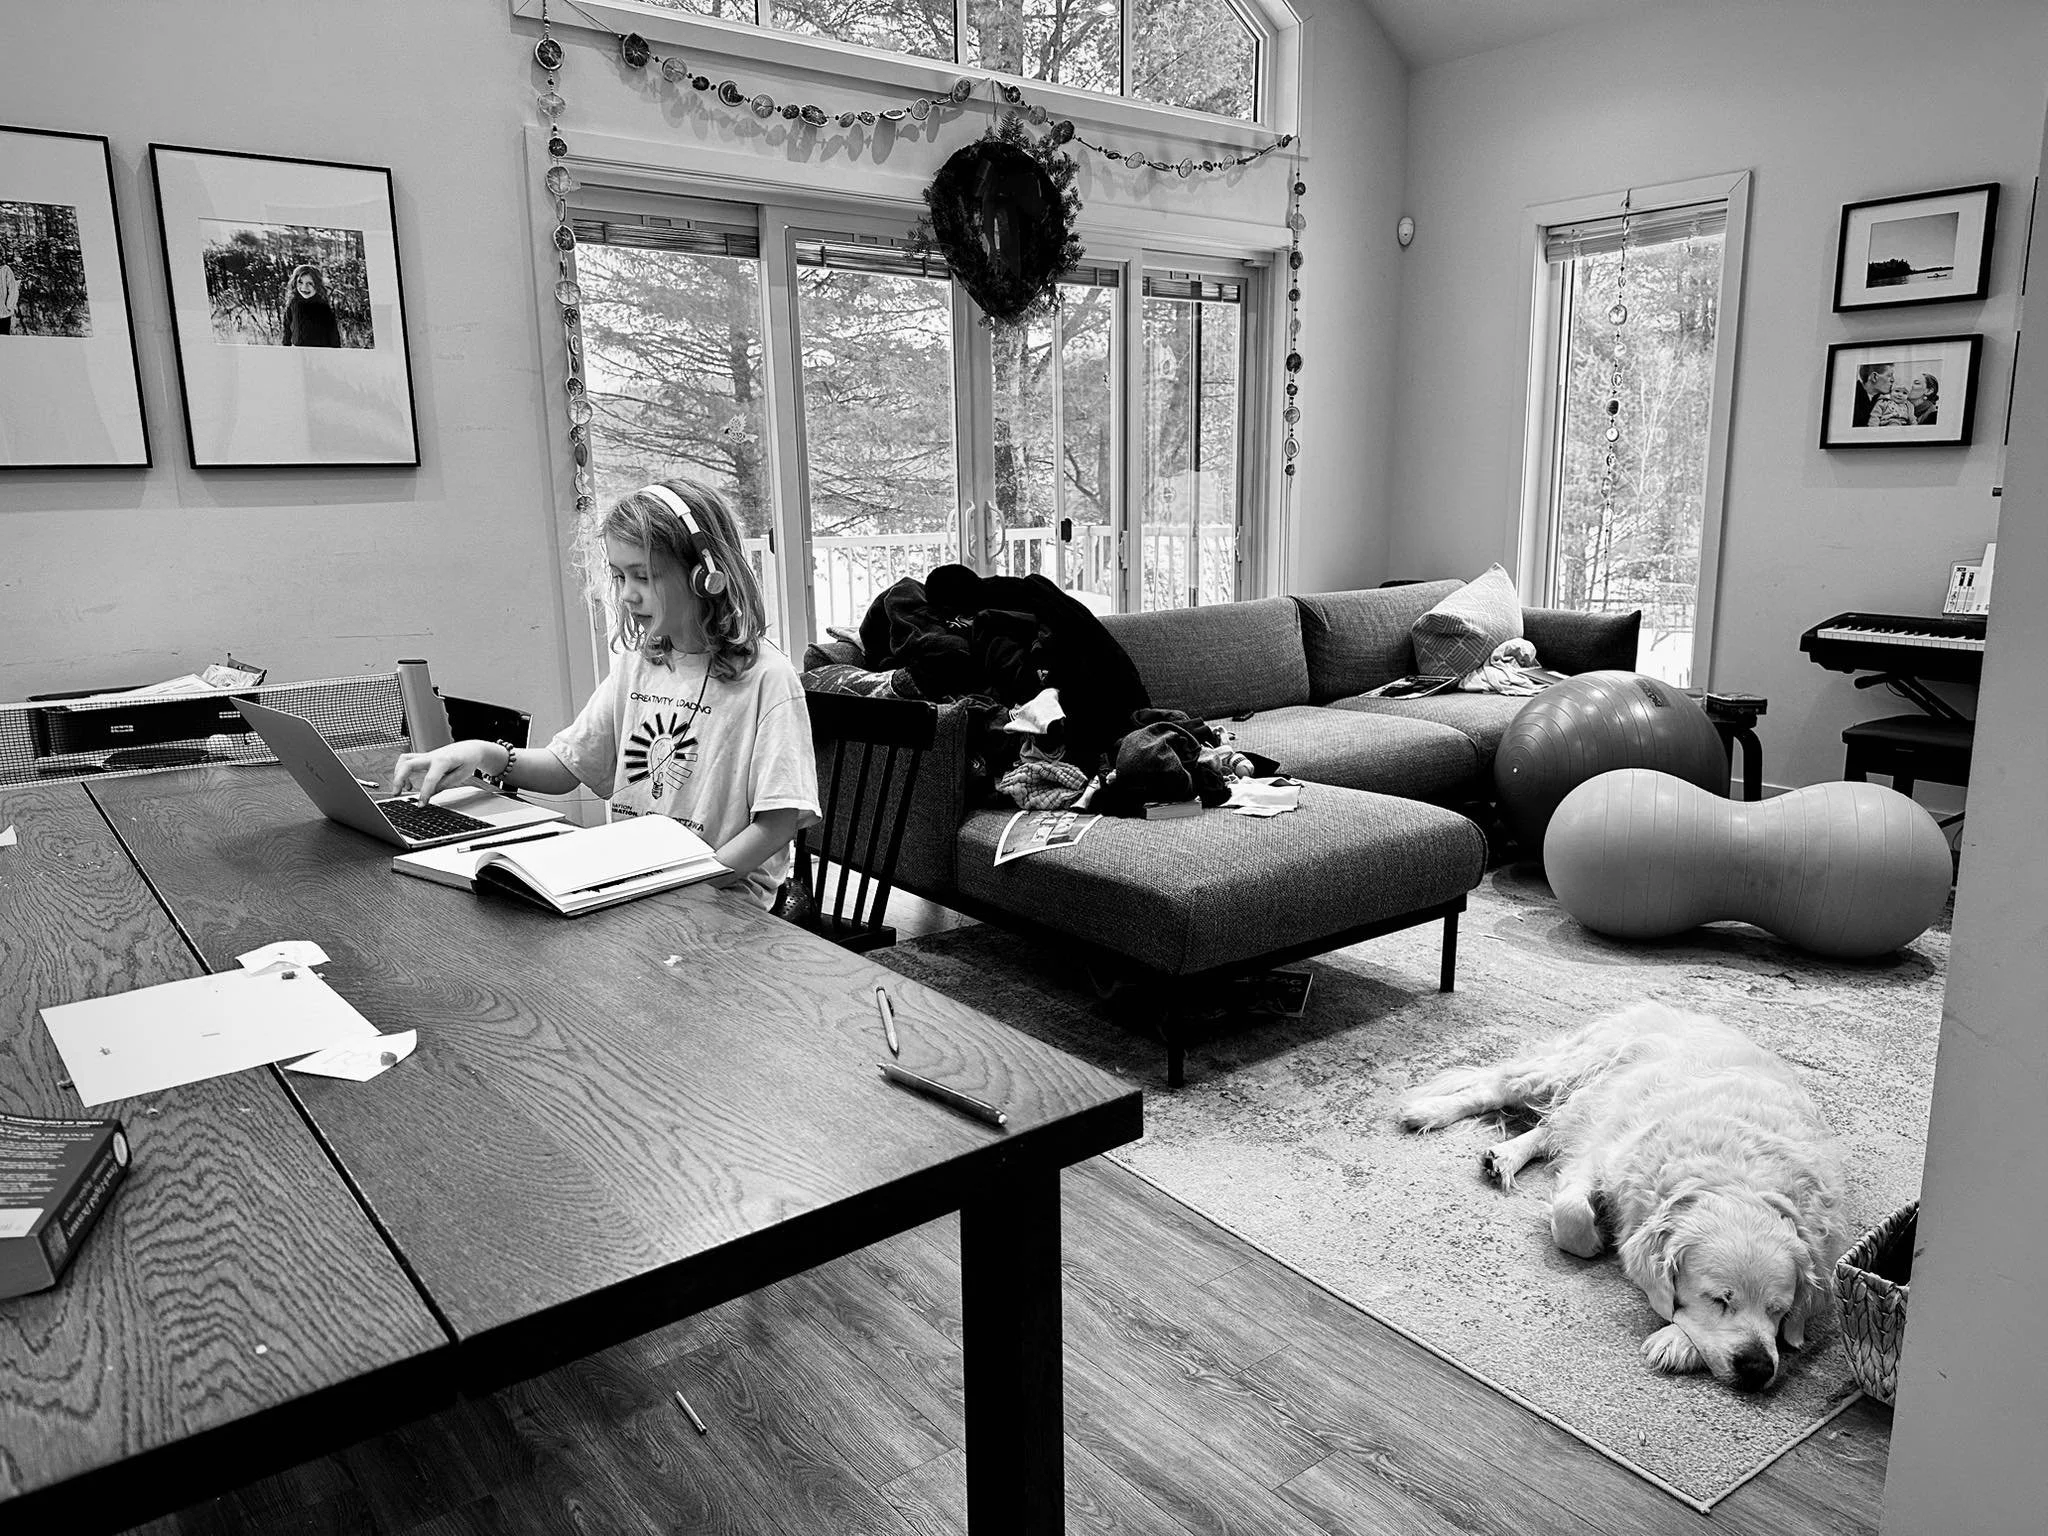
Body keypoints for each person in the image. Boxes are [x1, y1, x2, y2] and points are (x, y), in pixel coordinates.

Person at [393, 479, 821, 910]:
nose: (628, 594)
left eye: (643, 576)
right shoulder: (641, 663)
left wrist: (693, 882)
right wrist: (483, 754)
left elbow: (778, 823)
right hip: (637, 884)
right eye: (620, 576)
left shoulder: (767, 678)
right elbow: (566, 766)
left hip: (722, 896)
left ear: (706, 577)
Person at [279, 262, 342, 347]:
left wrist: (334, 353)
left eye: (310, 283)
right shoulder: (293, 303)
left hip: (320, 352)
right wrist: (286, 348)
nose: (304, 287)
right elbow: (287, 329)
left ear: (317, 285)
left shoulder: (323, 306)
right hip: (298, 352)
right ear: (294, 282)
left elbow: (333, 333)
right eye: (300, 282)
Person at [1852, 362, 1894, 428]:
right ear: (1874, 377)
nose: (1892, 380)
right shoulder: (1853, 400)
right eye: (1889, 376)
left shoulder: (1878, 400)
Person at [0, 250, 19, 336]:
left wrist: (9, 306)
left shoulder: (5, 270)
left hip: (3, 314)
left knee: (4, 342)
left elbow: (13, 290)